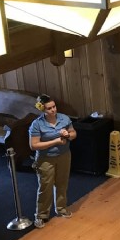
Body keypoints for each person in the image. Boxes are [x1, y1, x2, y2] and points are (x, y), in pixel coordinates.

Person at [29, 94, 76, 228]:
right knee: (45, 186)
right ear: (43, 110)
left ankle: (61, 209)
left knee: (62, 183)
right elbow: (34, 145)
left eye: (54, 107)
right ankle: (41, 215)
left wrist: (68, 135)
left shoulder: (64, 118)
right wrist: (55, 141)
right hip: (45, 159)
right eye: (49, 108)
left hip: (64, 155)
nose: (53, 110)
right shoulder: (37, 124)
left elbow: (73, 133)